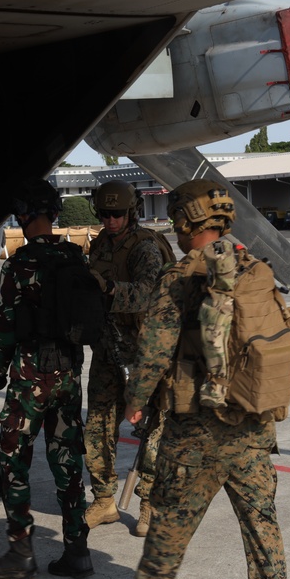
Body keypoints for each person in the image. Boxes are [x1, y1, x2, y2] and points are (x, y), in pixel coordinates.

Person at [116, 180, 289, 579]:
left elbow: (154, 350)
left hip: (195, 430)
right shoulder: (257, 268)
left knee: (170, 520)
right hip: (252, 425)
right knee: (261, 524)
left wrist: (135, 401)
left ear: (185, 220)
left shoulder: (179, 276)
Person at [0, 179, 94, 579]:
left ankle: (19, 550)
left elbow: (6, 331)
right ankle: (77, 552)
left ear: (25, 215)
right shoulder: (75, 257)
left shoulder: (20, 264)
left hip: (31, 378)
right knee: (67, 463)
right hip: (68, 375)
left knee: (14, 460)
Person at [84, 180, 171, 536]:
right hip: (108, 347)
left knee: (152, 425)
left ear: (131, 211)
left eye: (117, 213)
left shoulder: (145, 247)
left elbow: (149, 295)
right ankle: (104, 499)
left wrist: (108, 290)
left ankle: (150, 501)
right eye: (104, 214)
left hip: (143, 350)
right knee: (99, 422)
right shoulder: (100, 245)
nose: (111, 220)